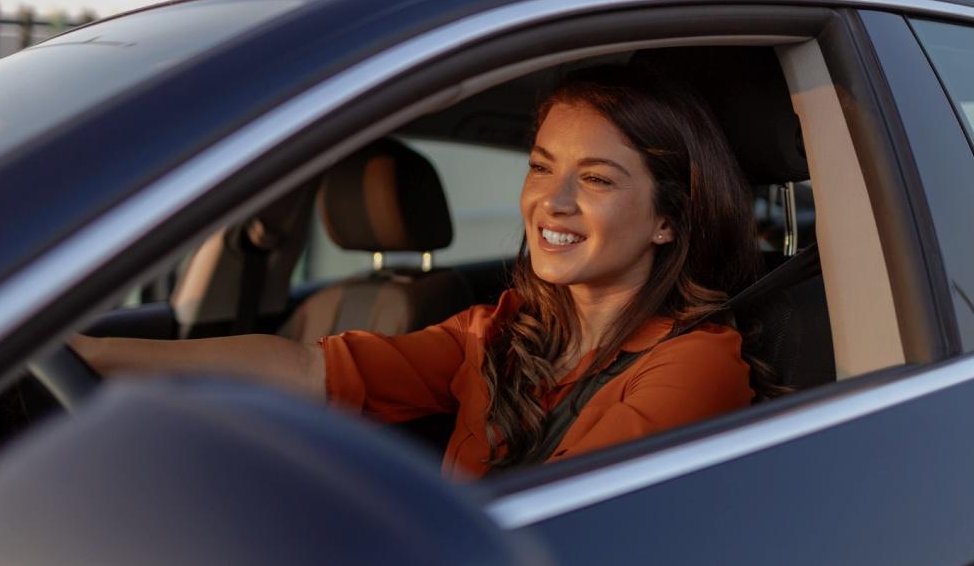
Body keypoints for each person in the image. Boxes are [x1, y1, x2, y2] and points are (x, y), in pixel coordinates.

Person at [70, 66, 769, 479]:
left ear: (667, 220)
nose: (549, 203)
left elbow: (562, 522)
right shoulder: (496, 331)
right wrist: (96, 354)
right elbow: (307, 370)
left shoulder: (697, 365)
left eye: (595, 179)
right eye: (540, 166)